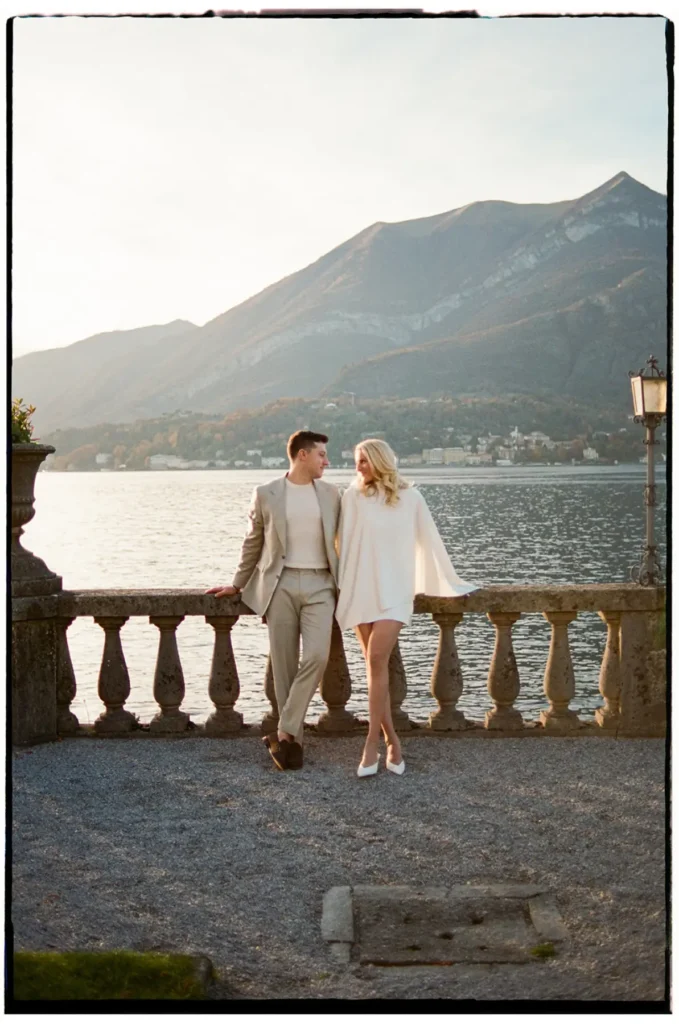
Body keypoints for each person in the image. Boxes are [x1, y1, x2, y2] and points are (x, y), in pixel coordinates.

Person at [336, 438, 477, 778]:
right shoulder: (352, 497)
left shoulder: (411, 498)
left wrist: (448, 582)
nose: (358, 468)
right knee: (375, 670)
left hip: (396, 590)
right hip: (362, 587)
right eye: (356, 461)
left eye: (364, 461)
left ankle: (371, 743)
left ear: (381, 461)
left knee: (375, 660)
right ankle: (394, 741)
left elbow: (429, 542)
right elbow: (342, 542)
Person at [207, 430, 340, 771]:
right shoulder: (266, 493)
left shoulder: (332, 494)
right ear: (302, 456)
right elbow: (253, 542)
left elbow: (349, 540)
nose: (327, 460)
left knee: (316, 656)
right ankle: (291, 746)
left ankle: (282, 731)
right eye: (322, 454)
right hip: (279, 586)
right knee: (283, 668)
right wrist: (237, 584)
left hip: (321, 585)